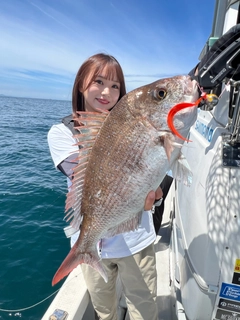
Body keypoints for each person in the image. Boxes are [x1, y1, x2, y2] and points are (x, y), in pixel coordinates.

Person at [48, 53, 163, 320]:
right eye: (98, 82)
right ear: (81, 85)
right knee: (104, 310)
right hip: (88, 241)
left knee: (144, 308)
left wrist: (153, 194)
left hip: (134, 239)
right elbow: (84, 177)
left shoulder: (134, 126)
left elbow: (145, 172)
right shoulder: (61, 133)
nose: (106, 92)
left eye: (115, 86)